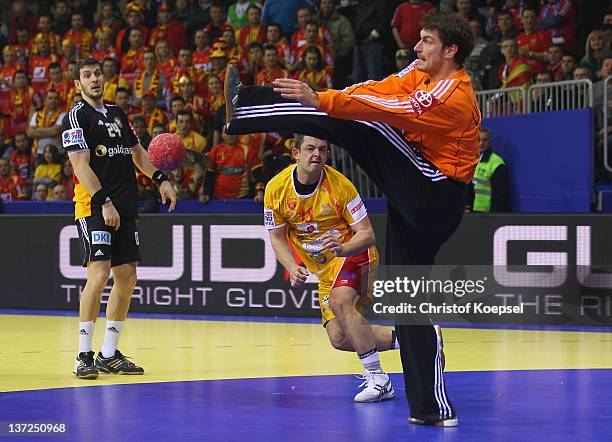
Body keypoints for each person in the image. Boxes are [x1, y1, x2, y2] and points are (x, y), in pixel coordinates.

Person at [224, 8, 479, 426]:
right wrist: (330, 98)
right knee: (409, 303)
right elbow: (380, 87)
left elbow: (393, 110)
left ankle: (246, 112)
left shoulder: (454, 91)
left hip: (436, 193)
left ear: (451, 50)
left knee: (368, 124)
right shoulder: (421, 71)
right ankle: (430, 410)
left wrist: (323, 100)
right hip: (416, 198)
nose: (415, 46)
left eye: (427, 40)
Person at [62, 57, 176, 379]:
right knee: (98, 275)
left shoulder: (117, 114)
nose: (94, 79)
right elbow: (81, 166)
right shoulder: (75, 116)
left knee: (127, 278)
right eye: (87, 76)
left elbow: (138, 153)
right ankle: (83, 355)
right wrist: (104, 202)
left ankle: (109, 353)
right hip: (94, 207)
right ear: (77, 85)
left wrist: (160, 178)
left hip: (125, 208)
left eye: (97, 73)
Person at [265, 134, 397, 402]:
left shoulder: (340, 186)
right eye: (310, 148)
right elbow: (277, 236)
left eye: (323, 150)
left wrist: (344, 249)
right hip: (325, 271)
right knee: (339, 338)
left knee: (340, 302)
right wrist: (292, 266)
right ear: (295, 154)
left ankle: (379, 379)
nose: (317, 154)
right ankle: (420, 341)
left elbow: (367, 234)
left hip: (356, 252)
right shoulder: (275, 189)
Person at [465, 128, 509, 212]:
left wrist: (494, 216)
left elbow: (500, 195)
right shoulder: (469, 160)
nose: (481, 143)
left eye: (484, 140)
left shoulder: (496, 163)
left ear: (490, 142)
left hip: (485, 214)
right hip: (468, 212)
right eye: (478, 140)